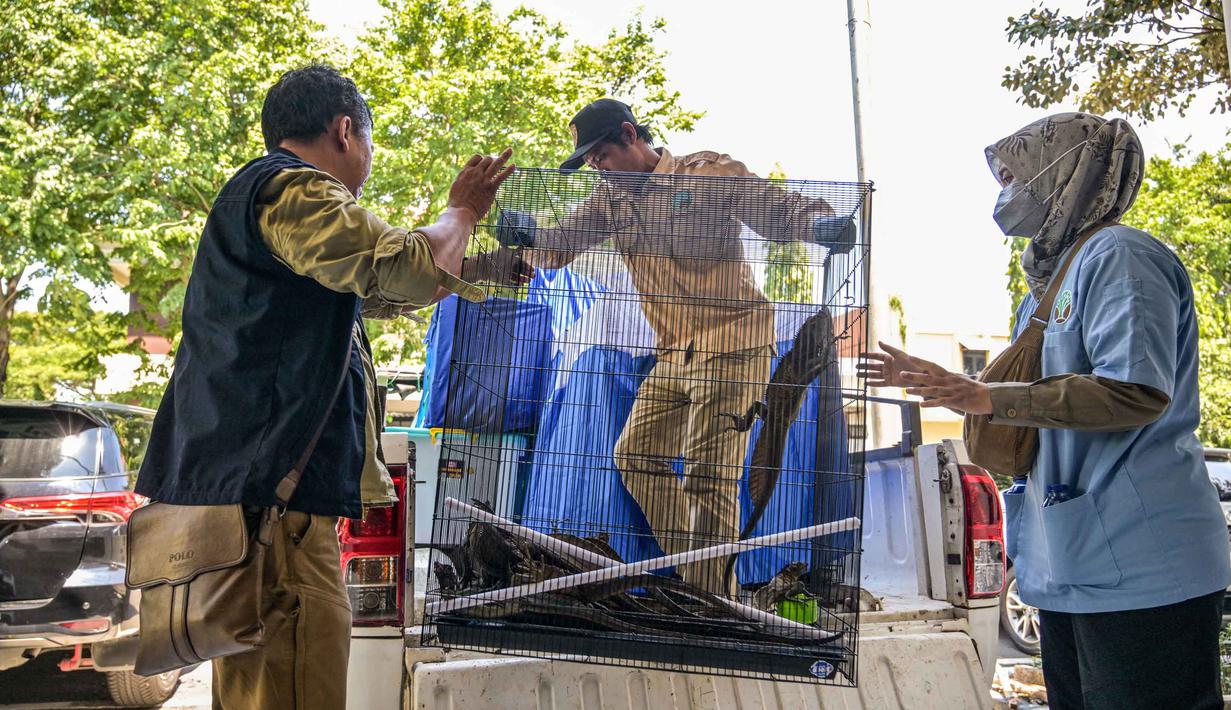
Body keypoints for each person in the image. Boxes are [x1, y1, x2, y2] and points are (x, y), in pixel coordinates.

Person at [135, 64, 526, 709]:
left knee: (261, 690)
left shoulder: (266, 212)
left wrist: (490, 265)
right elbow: (403, 268)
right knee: (295, 687)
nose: (368, 158)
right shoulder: (295, 191)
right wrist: (463, 209)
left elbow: (375, 292)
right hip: (276, 517)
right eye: (368, 142)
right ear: (345, 130)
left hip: (252, 506)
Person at [861, 112, 1230, 710]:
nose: (1005, 196)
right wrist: (963, 389)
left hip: (1144, 568)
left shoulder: (1120, 256)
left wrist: (983, 396)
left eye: (1014, 178)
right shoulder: (1053, 279)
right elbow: (1042, 395)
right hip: (1075, 569)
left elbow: (1135, 390)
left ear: (1066, 176)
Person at [497, 98, 847, 595]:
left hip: (735, 344)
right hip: (674, 353)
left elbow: (776, 209)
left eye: (600, 153)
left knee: (710, 475)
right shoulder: (610, 198)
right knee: (635, 455)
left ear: (629, 134)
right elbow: (559, 246)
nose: (595, 166)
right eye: (588, 160)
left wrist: (821, 223)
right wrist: (527, 233)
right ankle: (705, 583)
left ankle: (708, 600)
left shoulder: (705, 173)